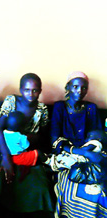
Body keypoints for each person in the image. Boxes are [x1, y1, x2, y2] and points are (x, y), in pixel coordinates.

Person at [0, 73, 53, 218]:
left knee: (40, 184)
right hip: (6, 148)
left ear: (40, 91)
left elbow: (42, 136)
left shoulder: (42, 109)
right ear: (20, 89)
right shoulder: (11, 101)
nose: (31, 94)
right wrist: (5, 157)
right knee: (1, 176)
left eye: (35, 90)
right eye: (27, 89)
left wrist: (28, 138)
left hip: (27, 149)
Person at [50, 71, 107, 218]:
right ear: (67, 87)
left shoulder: (91, 108)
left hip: (88, 152)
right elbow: (55, 139)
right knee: (74, 185)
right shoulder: (59, 108)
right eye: (75, 86)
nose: (79, 91)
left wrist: (88, 151)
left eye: (83, 88)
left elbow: (97, 135)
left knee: (99, 187)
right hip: (66, 154)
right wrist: (79, 152)